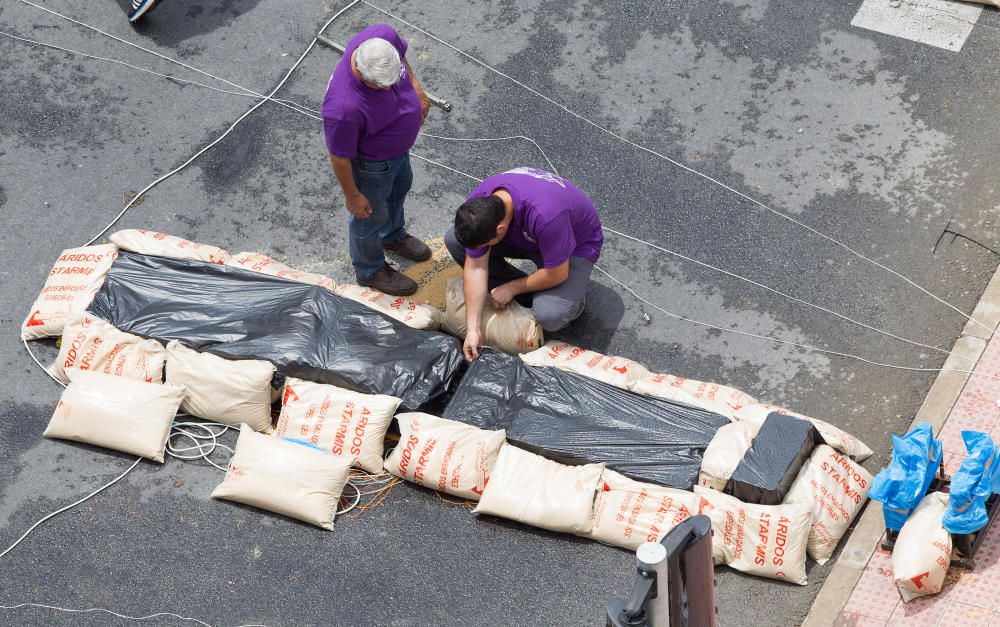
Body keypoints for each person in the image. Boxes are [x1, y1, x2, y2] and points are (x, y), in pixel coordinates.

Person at [445, 167, 603, 361]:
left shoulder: (546, 214)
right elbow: (476, 266)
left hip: (575, 245)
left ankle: (572, 302)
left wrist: (512, 288)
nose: (483, 248)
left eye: (487, 244)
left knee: (551, 315)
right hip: (531, 237)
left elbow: (557, 274)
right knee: (454, 240)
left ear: (500, 229)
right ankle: (532, 290)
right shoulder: (479, 206)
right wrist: (473, 329)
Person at [322, 24, 432, 296]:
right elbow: (339, 157)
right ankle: (369, 270)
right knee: (369, 216)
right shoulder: (342, 108)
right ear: (360, 71)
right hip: (373, 165)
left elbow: (403, 58)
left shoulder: (381, 37)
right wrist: (352, 196)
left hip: (398, 153)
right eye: (382, 85)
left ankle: (392, 236)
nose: (391, 87)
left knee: (399, 191)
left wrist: (416, 88)